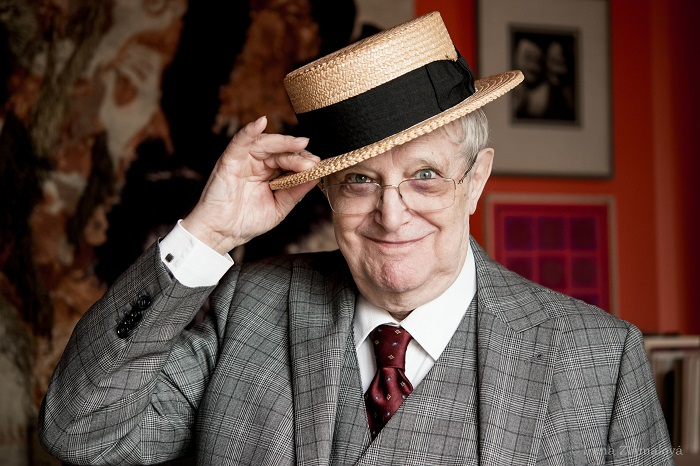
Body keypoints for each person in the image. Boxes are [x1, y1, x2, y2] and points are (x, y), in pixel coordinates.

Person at [38, 11, 673, 465]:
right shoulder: (246, 309)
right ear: (326, 193)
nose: (391, 217)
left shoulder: (602, 361)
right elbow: (82, 431)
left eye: (425, 176)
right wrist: (208, 233)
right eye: (361, 182)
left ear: (476, 180)